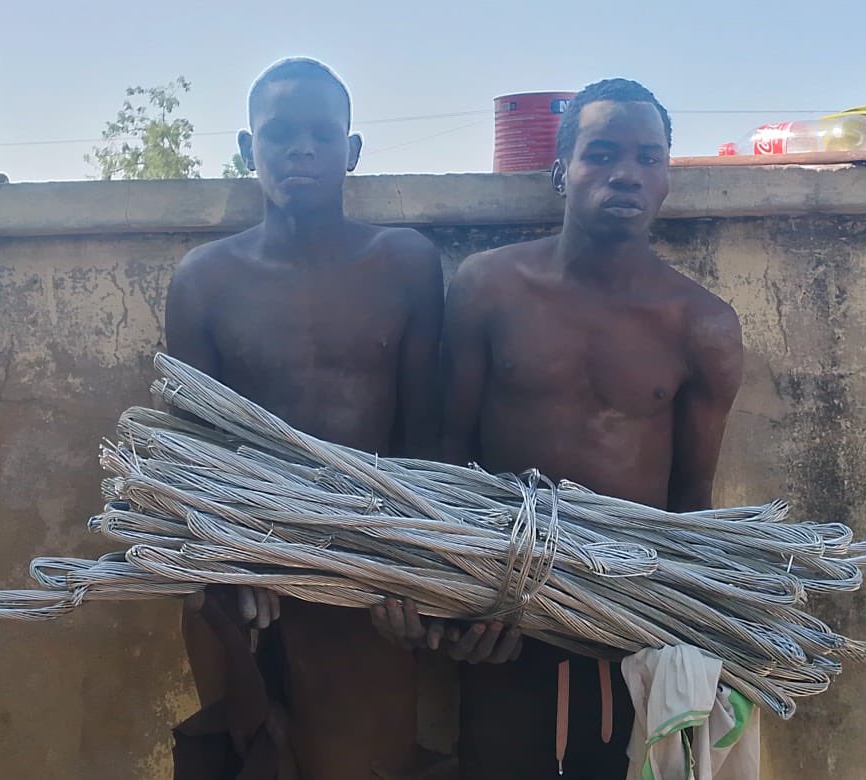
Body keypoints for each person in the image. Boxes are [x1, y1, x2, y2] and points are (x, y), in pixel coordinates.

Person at [439, 79, 744, 779]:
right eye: (600, 154)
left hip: (625, 623)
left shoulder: (702, 325)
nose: (626, 174)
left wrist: (683, 637)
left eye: (648, 157)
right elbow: (448, 454)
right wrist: (451, 600)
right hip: (502, 612)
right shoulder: (488, 288)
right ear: (560, 172)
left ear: (668, 178)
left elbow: (691, 500)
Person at [164, 57, 446, 780]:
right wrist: (234, 552)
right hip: (240, 568)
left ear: (351, 152)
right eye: (279, 133)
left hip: (368, 570)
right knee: (251, 756)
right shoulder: (204, 279)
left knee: (364, 762)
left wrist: (411, 571)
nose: (301, 149)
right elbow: (191, 445)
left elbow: (423, 442)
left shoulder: (405, 263)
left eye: (323, 134)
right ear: (245, 149)